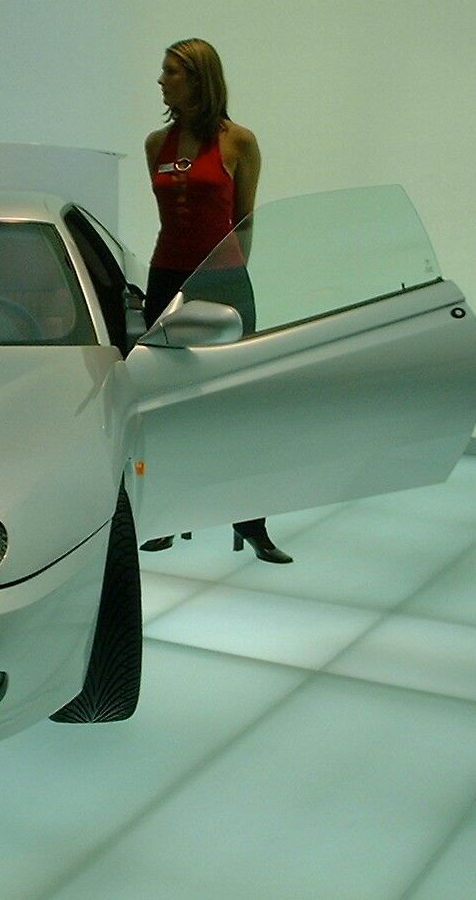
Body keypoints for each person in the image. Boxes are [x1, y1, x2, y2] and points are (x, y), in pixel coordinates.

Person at [140, 38, 291, 564]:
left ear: (198, 80)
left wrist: (228, 276)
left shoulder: (239, 142)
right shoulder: (155, 143)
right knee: (165, 402)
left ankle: (251, 520)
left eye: (170, 73)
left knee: (238, 403)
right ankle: (164, 514)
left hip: (224, 281)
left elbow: (243, 222)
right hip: (167, 281)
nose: (161, 81)